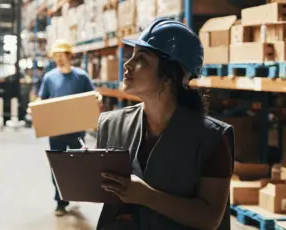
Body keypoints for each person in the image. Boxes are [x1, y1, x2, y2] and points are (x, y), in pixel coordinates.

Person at [95, 19, 234, 229]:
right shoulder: (110, 125)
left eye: (141, 58)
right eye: (132, 55)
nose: (127, 64)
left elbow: (209, 218)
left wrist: (147, 196)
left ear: (170, 75)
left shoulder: (211, 139)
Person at [36, 39, 101, 216]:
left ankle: (74, 192)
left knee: (76, 165)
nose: (58, 59)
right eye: (55, 55)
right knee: (57, 166)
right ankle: (60, 201)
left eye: (61, 55)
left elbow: (91, 97)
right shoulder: (49, 77)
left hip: (76, 131)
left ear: (70, 56)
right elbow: (43, 101)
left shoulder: (81, 76)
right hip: (56, 131)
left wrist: (97, 99)